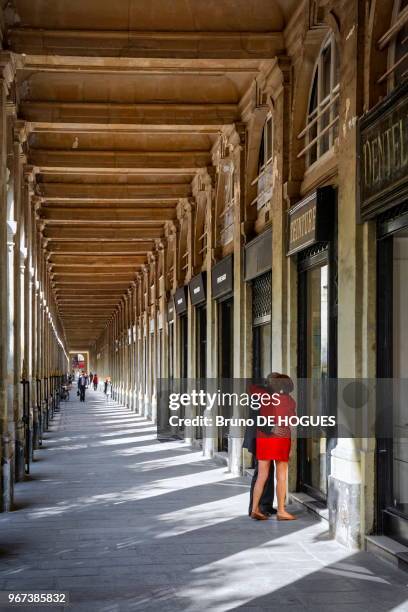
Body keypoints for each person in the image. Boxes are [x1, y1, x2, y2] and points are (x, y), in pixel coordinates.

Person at [250, 372, 297, 521]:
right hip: (281, 439)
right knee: (281, 477)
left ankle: (254, 508)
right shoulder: (289, 401)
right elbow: (293, 422)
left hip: (264, 440)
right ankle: (281, 510)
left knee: (262, 476)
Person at [243, 385, 276, 517]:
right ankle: (255, 507)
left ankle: (266, 505)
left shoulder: (261, 396)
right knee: (260, 474)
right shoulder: (262, 397)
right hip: (260, 439)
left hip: (262, 439)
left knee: (268, 471)